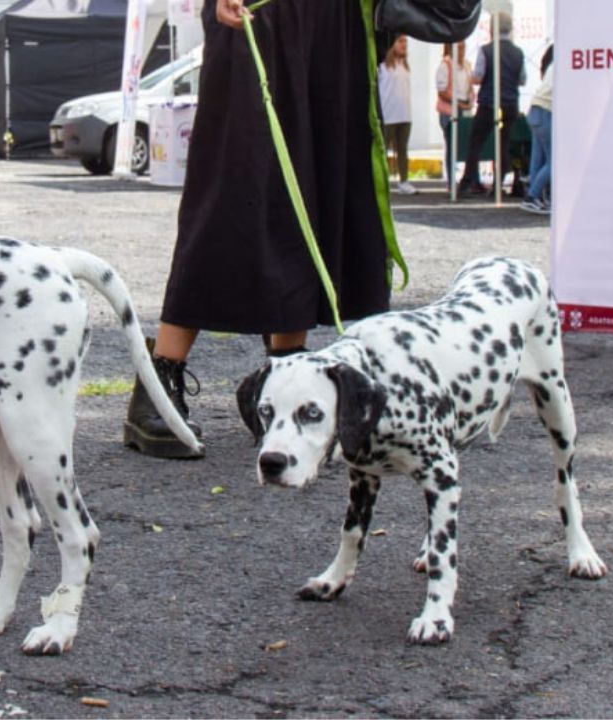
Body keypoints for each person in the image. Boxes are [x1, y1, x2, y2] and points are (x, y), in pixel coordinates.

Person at [123, 0, 394, 458]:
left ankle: (283, 384)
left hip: (338, 22)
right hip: (257, 15)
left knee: (315, 190)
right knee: (233, 189)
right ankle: (158, 380)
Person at [458, 12, 526, 196]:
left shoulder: (486, 50)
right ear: (510, 28)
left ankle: (467, 183)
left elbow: (479, 76)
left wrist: (470, 78)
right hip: (511, 103)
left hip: (489, 103)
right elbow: (522, 80)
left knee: (475, 142)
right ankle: (498, 184)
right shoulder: (518, 53)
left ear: (492, 29)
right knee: (504, 144)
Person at [379, 35, 416, 195]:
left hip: (405, 114)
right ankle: (382, 180)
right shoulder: (383, 67)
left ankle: (404, 180)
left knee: (403, 149)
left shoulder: (405, 66)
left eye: (405, 42)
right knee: (384, 149)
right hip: (389, 114)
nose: (404, 45)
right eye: (400, 41)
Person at [435, 41, 473, 191]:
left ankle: (468, 180)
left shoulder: (467, 65)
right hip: (449, 110)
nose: (462, 50)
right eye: (459, 47)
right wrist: (458, 103)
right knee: (451, 145)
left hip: (465, 108)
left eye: (464, 47)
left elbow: (470, 86)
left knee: (466, 144)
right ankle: (451, 181)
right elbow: (442, 91)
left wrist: (469, 101)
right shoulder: (445, 66)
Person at [521, 45, 553, 215]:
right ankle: (533, 196)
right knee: (555, 161)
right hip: (545, 111)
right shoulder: (564, 64)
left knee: (538, 158)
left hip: (535, 109)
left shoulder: (553, 64)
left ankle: (535, 197)